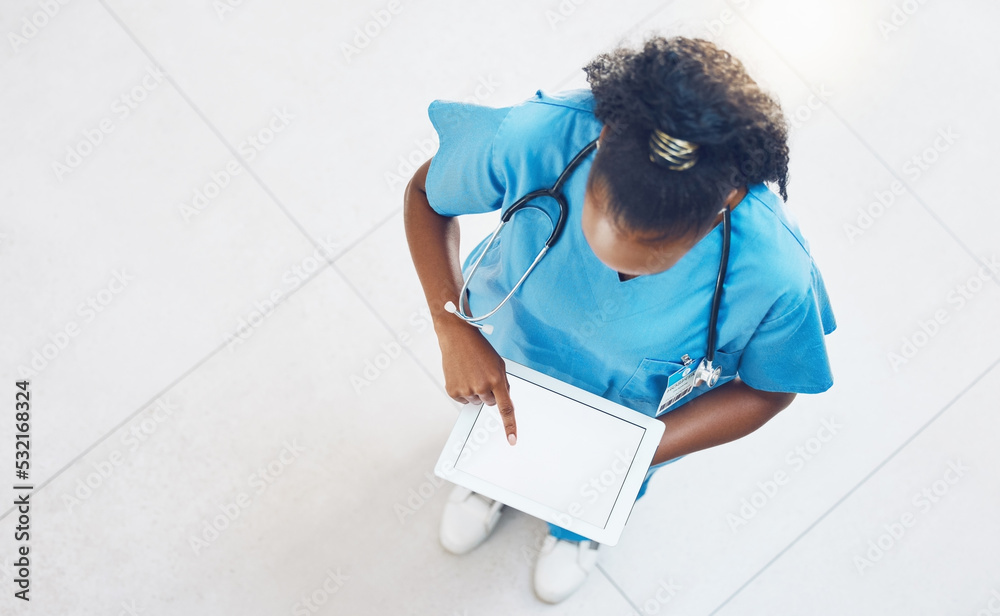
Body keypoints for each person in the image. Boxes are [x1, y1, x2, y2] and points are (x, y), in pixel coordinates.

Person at [402, 35, 836, 604]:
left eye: (655, 250)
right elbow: (424, 195)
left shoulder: (773, 271)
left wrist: (632, 453)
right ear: (602, 140)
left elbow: (771, 390)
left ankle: (574, 532)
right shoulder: (541, 137)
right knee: (495, 441)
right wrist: (452, 323)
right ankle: (494, 485)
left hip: (629, 419)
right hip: (508, 361)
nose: (613, 253)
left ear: (726, 202)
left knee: (597, 490)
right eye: (601, 213)